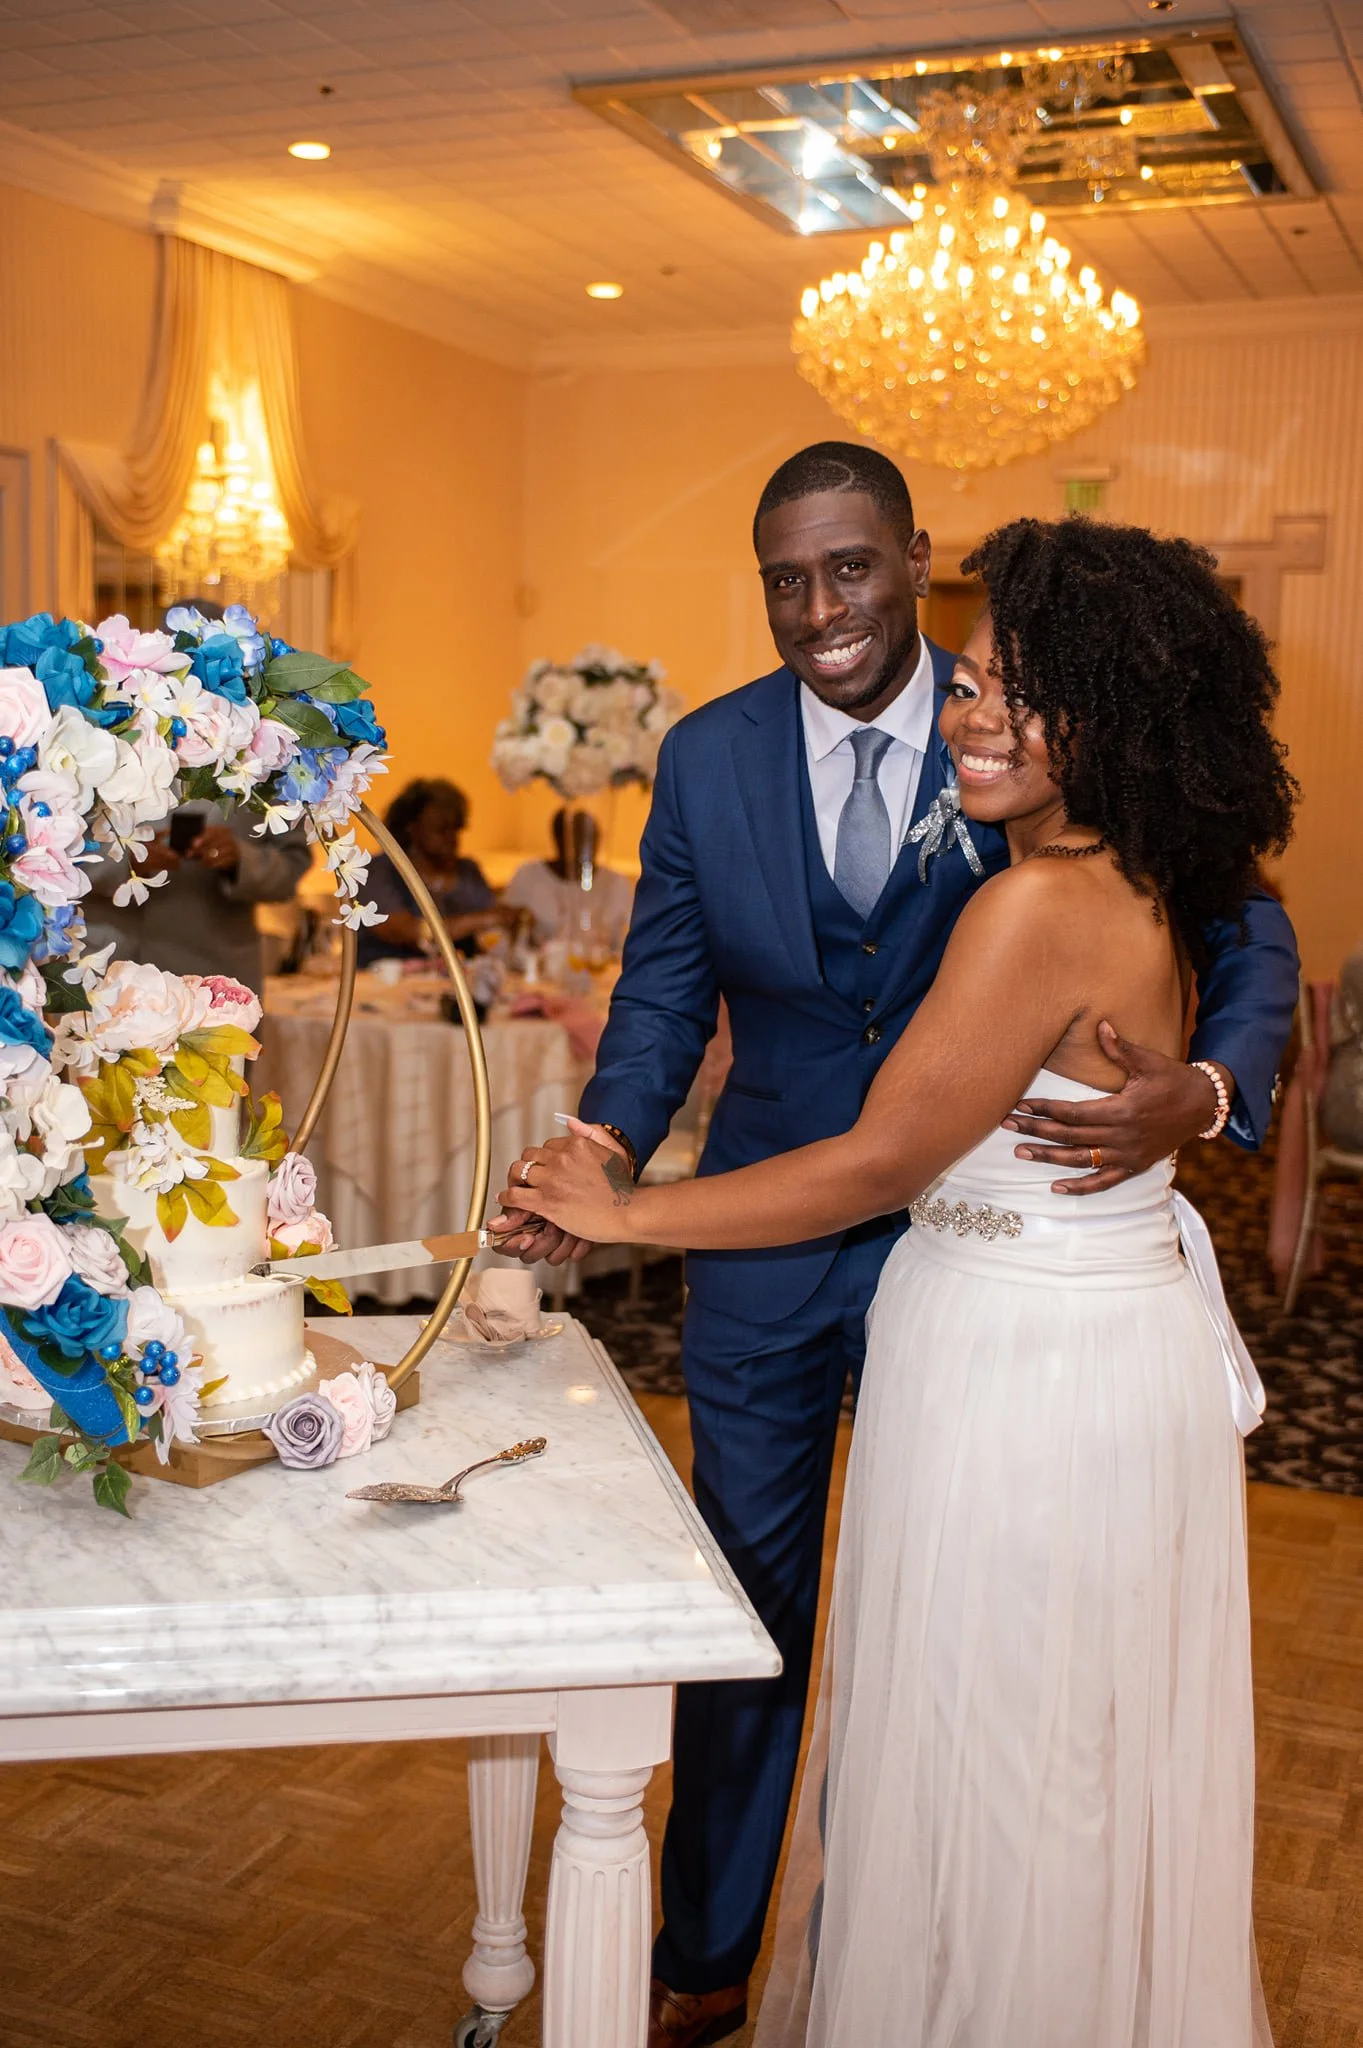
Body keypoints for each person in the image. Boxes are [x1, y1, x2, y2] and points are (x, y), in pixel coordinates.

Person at [494, 446, 1300, 2048]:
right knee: (755, 1616)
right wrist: (600, 1142)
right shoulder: (710, 757)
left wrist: (1204, 1088)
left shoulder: (1039, 742)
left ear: (910, 559)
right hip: (795, 1261)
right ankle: (706, 1961)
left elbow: (1240, 922)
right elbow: (660, 997)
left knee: (997, 1664)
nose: (820, 611)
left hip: (1006, 1290)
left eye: (849, 571)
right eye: (784, 581)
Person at [86, 799, 309, 994]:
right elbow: (56, 853)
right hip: (105, 967)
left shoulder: (272, 756)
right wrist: (121, 861)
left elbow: (294, 864)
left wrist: (241, 860)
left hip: (214, 971)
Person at [360, 777, 510, 969]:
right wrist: (484, 919)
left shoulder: (468, 872)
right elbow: (404, 931)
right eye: (441, 829)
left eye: (456, 828)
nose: (452, 838)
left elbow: (490, 937)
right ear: (412, 828)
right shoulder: (380, 871)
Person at [500, 806, 636, 953]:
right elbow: (504, 932)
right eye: (579, 839)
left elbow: (628, 940)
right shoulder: (528, 876)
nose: (587, 848)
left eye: (592, 839)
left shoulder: (616, 883)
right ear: (559, 840)